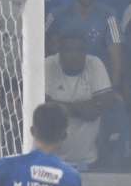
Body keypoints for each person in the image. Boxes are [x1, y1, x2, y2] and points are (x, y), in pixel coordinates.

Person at [43, 29, 114, 169]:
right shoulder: (48, 65)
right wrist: (80, 108)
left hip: (86, 160)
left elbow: (104, 103)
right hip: (51, 160)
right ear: (60, 52)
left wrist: (59, 108)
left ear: (85, 52)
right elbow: (42, 109)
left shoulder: (94, 63)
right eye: (68, 50)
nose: (74, 55)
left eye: (79, 51)